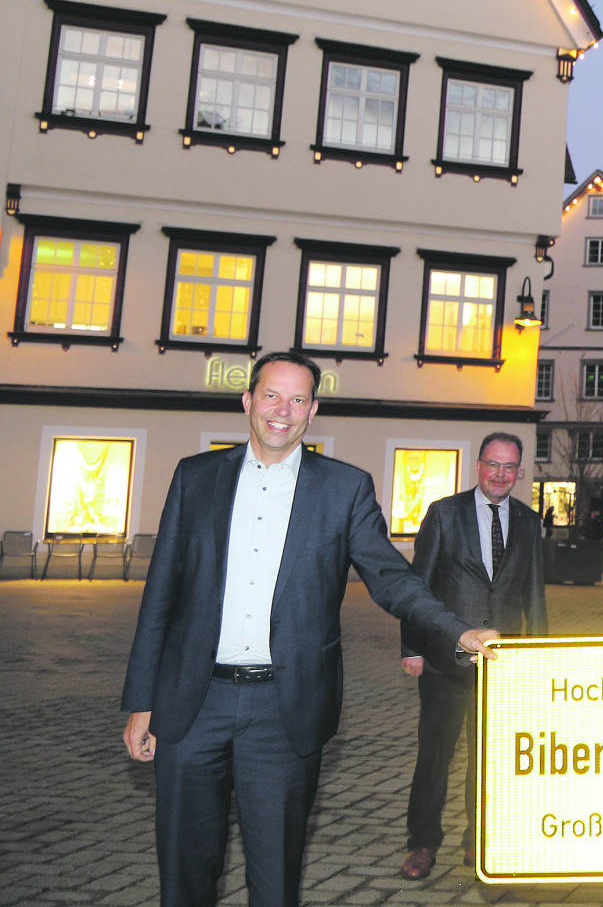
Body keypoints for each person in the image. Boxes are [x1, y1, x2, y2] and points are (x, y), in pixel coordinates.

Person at [120, 352, 500, 907]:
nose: (283, 410)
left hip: (284, 709)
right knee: (183, 874)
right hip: (191, 706)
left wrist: (458, 632)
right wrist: (141, 701)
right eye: (272, 395)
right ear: (247, 400)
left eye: (298, 400)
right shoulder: (195, 477)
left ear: (313, 411)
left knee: (275, 880)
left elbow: (393, 578)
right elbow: (161, 597)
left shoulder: (342, 489)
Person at [396, 432, 547, 880]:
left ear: (519, 472)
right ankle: (422, 843)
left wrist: (538, 657)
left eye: (510, 467)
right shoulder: (444, 513)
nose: (501, 474)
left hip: (503, 665)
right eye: (493, 465)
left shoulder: (528, 519)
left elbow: (534, 594)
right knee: (435, 755)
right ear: (478, 466)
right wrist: (412, 647)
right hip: (447, 660)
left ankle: (477, 840)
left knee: (489, 759)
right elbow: (416, 587)